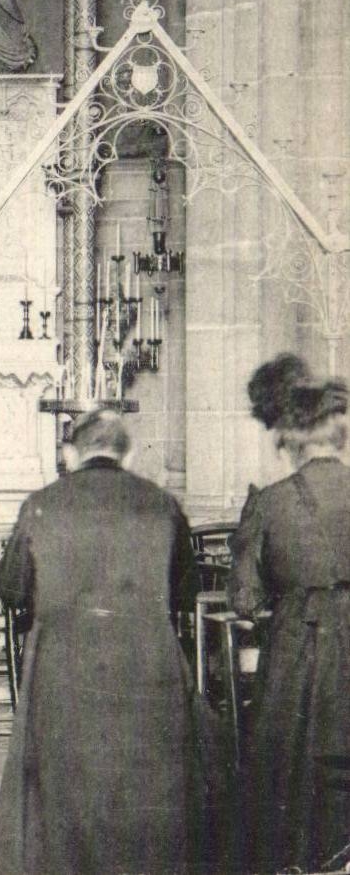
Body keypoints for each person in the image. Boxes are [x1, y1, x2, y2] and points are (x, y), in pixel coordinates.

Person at [0, 408, 212, 875]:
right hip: (146, 661)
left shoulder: (41, 504)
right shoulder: (161, 504)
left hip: (64, 664)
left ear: (73, 453)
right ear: (126, 454)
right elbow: (186, 589)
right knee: (148, 781)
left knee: (64, 783)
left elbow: (11, 588)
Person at [228, 358, 350, 873]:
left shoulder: (271, 503)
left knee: (291, 763)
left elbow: (245, 600)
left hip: (299, 648)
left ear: (293, 440)